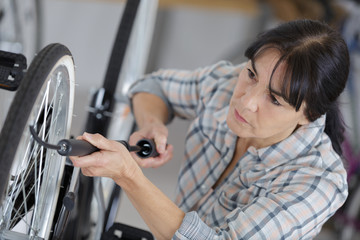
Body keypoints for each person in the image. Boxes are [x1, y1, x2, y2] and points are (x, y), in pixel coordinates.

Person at [70, 19, 349, 239]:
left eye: (274, 99)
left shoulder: (318, 183)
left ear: (309, 115)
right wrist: (152, 123)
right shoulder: (227, 83)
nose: (246, 101)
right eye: (251, 74)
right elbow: (153, 87)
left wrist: (129, 176)